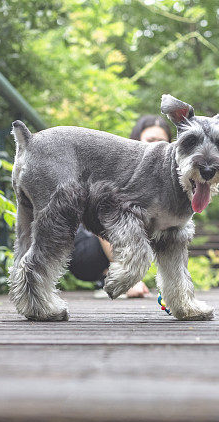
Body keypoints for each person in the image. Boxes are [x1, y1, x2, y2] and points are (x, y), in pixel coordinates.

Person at [67, 115, 172, 298]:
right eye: (150, 140)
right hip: (87, 244)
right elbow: (106, 221)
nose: (156, 146)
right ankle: (116, 274)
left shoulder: (165, 182)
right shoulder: (121, 170)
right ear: (136, 141)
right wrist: (130, 277)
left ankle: (109, 277)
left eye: (161, 142)